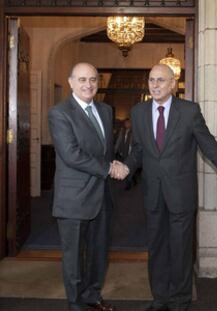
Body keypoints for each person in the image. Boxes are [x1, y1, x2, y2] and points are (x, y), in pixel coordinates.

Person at [111, 64, 217, 311]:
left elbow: (209, 146)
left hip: (181, 194)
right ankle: (160, 299)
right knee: (156, 248)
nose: (154, 85)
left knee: (180, 249)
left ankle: (179, 301)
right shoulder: (138, 112)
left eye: (160, 80)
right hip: (152, 194)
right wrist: (127, 167)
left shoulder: (189, 112)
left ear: (173, 85)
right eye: (151, 80)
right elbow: (138, 149)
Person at [48, 62, 120, 311]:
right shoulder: (60, 112)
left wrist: (116, 163)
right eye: (82, 79)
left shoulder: (105, 110)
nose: (88, 84)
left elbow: (105, 150)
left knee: (99, 253)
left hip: (102, 195)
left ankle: (92, 296)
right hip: (74, 198)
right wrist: (109, 168)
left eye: (93, 79)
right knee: (74, 258)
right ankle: (75, 303)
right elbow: (71, 154)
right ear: (70, 82)